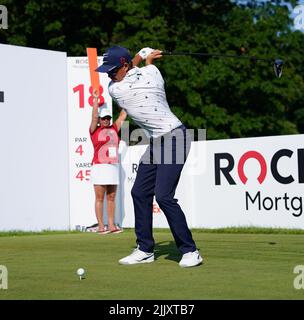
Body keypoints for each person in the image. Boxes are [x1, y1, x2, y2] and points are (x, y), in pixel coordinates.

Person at [96, 46, 203, 267]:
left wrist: (141, 54)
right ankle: (145, 249)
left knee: (164, 196)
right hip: (157, 142)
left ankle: (190, 250)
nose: (108, 75)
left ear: (125, 64)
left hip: (175, 138)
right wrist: (146, 58)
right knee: (140, 192)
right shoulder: (153, 73)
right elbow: (140, 67)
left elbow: (134, 66)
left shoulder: (117, 90)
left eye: (112, 70)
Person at [90, 89, 127, 234]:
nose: (106, 120)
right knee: (100, 197)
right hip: (100, 166)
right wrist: (95, 100)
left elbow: (123, 115)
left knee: (111, 197)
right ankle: (101, 226)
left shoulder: (114, 128)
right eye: (103, 118)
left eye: (108, 118)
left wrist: (128, 98)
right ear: (100, 120)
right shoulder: (94, 130)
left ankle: (111, 225)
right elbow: (93, 117)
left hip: (112, 166)